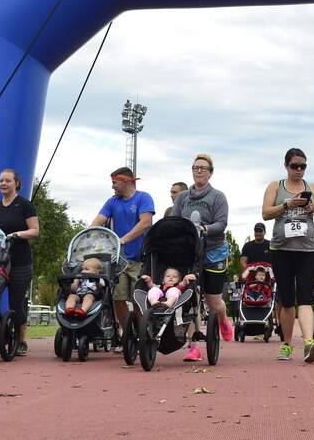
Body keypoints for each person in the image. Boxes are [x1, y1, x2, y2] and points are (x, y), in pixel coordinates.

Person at [262, 147, 314, 363]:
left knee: (306, 297)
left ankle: (309, 343)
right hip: (281, 249)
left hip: (308, 250)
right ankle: (287, 344)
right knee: (288, 300)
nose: (299, 170)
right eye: (295, 166)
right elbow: (265, 213)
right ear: (286, 166)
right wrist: (287, 204)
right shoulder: (275, 186)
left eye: (303, 166)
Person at [172, 153, 233, 361]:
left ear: (210, 173)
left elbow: (222, 223)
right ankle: (194, 346)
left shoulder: (217, 197)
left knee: (213, 302)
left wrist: (204, 228)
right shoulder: (182, 198)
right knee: (190, 297)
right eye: (196, 167)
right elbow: (174, 221)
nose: (199, 171)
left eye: (203, 168)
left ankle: (223, 320)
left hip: (213, 251)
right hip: (189, 252)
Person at [91, 167, 156, 351]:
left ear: (127, 181)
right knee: (117, 298)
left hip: (139, 259)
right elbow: (97, 221)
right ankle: (127, 334)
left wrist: (123, 239)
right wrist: (88, 235)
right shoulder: (113, 202)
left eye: (114, 182)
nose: (112, 187)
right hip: (118, 260)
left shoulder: (143, 198)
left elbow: (145, 223)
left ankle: (143, 336)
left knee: (138, 300)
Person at [0, 168, 39, 356]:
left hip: (20, 261)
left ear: (16, 184)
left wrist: (15, 235)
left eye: (7, 181)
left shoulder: (24, 205)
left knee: (16, 302)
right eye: (1, 181)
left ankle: (21, 341)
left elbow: (34, 231)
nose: (3, 184)